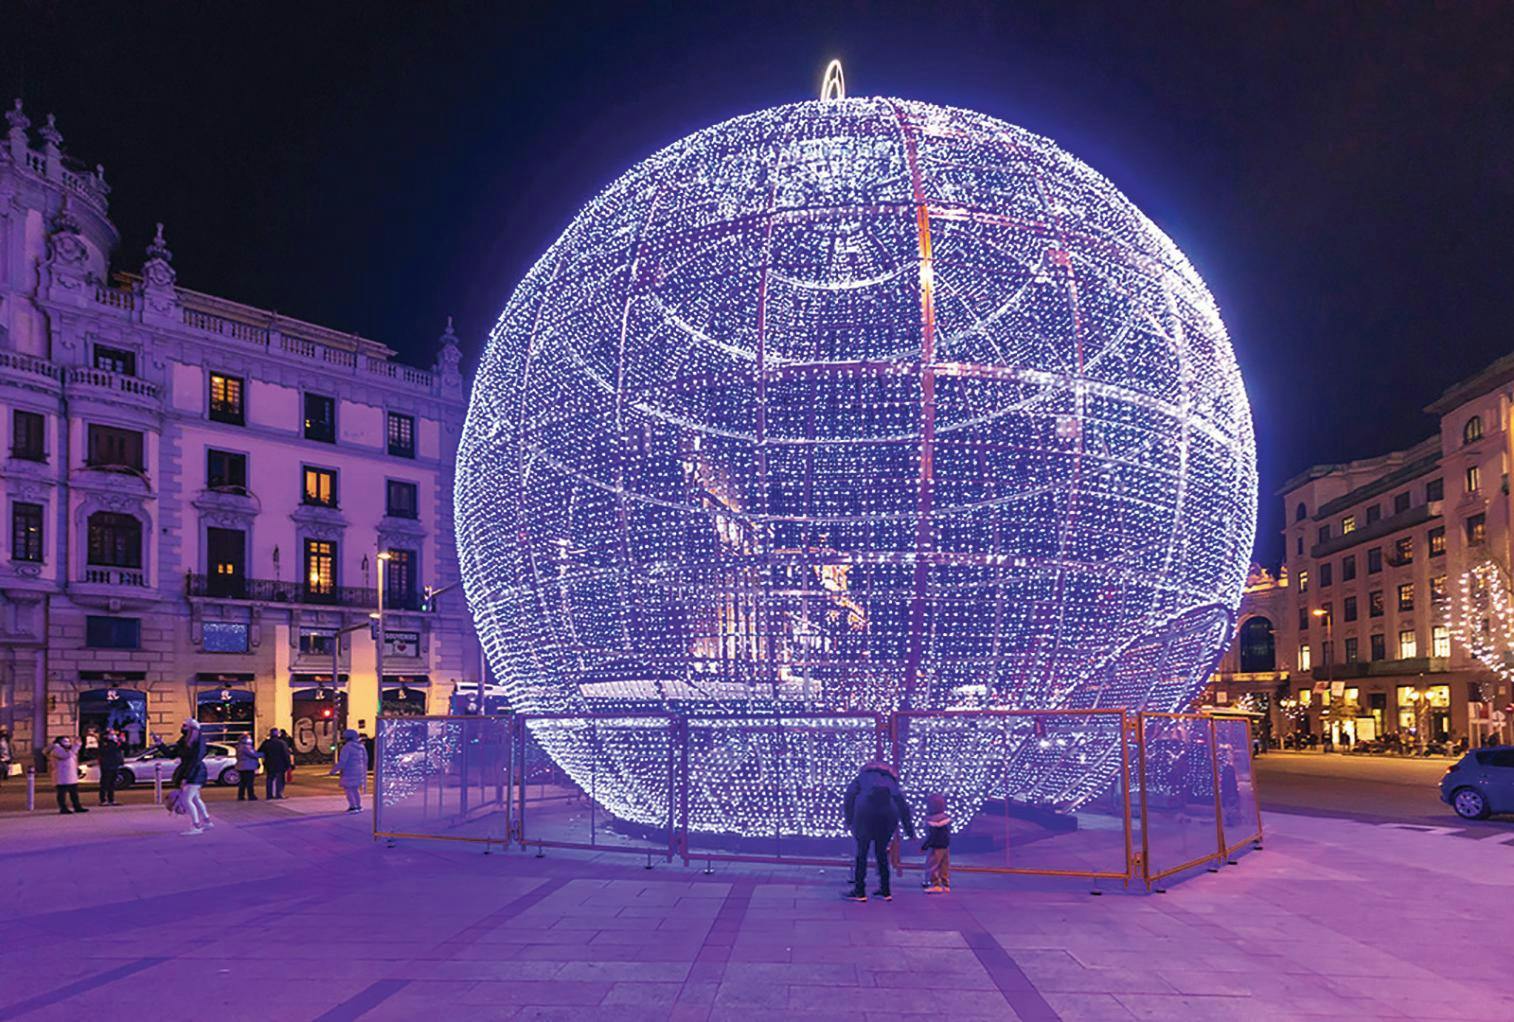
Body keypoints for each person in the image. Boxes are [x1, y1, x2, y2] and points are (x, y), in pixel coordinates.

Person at [842, 761, 914, 902]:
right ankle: (885, 890)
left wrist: (849, 820)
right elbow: (902, 805)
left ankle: (859, 891)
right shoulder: (891, 782)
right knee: (882, 853)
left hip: (864, 816)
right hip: (887, 819)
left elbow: (849, 798)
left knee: (861, 854)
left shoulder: (860, 779)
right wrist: (909, 831)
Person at [174, 719, 212, 835]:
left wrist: (186, 777)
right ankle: (207, 821)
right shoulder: (185, 741)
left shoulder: (197, 742)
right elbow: (172, 754)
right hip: (193, 772)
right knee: (195, 798)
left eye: (185, 726)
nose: (182, 728)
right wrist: (160, 744)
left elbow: (194, 761)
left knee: (187, 799)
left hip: (195, 772)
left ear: (191, 728)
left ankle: (196, 826)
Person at [47, 736, 87, 814]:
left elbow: (73, 759)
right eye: (65, 741)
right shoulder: (56, 749)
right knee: (62, 794)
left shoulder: (68, 750)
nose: (68, 743)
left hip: (70, 776)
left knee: (74, 793)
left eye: (68, 741)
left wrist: (77, 769)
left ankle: (77, 806)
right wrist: (76, 746)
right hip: (61, 776)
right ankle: (63, 808)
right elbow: (66, 756)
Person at [921, 793, 952, 894]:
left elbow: (931, 836)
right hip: (945, 846)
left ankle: (935, 884)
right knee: (944, 865)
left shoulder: (931, 821)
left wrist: (924, 846)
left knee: (932, 865)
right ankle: (945, 884)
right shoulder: (946, 818)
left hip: (935, 846)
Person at [331, 728, 368, 813]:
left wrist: (334, 770)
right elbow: (365, 759)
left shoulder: (347, 747)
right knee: (355, 789)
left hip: (349, 771)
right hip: (359, 771)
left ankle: (353, 806)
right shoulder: (361, 747)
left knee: (349, 789)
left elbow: (343, 761)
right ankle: (358, 805)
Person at [258, 728, 291, 800]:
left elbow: (259, 752)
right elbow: (286, 755)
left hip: (269, 763)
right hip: (280, 764)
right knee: (280, 780)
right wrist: (288, 764)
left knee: (270, 779)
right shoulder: (282, 743)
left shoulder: (266, 743)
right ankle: (279, 794)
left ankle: (269, 795)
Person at [98, 729, 125, 805]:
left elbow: (123, 748)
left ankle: (111, 799)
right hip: (107, 766)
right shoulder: (105, 744)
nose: (114, 736)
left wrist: (122, 741)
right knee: (105, 783)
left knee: (112, 784)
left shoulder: (115, 744)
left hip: (114, 765)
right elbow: (105, 752)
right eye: (112, 734)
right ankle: (103, 800)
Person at [235, 734, 261, 801]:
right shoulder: (246, 747)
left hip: (242, 766)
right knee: (249, 782)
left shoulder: (239, 746)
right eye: (248, 738)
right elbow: (253, 755)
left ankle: (241, 796)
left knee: (243, 782)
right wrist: (262, 754)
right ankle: (251, 795)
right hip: (248, 767)